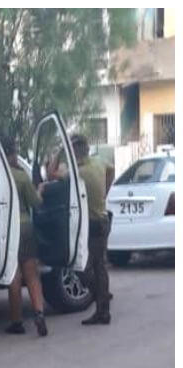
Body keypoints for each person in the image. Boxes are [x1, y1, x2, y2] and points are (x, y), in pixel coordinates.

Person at [2, 136, 48, 337]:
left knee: (14, 275)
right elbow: (36, 202)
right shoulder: (21, 177)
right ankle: (39, 313)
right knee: (31, 273)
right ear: (11, 154)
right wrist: (40, 189)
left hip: (7, 229)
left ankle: (16, 321)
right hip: (26, 227)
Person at [73, 133, 115, 325]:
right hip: (103, 220)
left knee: (84, 268)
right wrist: (105, 191)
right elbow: (111, 170)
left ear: (75, 152)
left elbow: (51, 173)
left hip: (92, 225)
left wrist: (58, 152)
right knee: (99, 267)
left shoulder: (78, 172)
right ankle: (102, 308)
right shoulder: (99, 163)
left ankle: (102, 300)